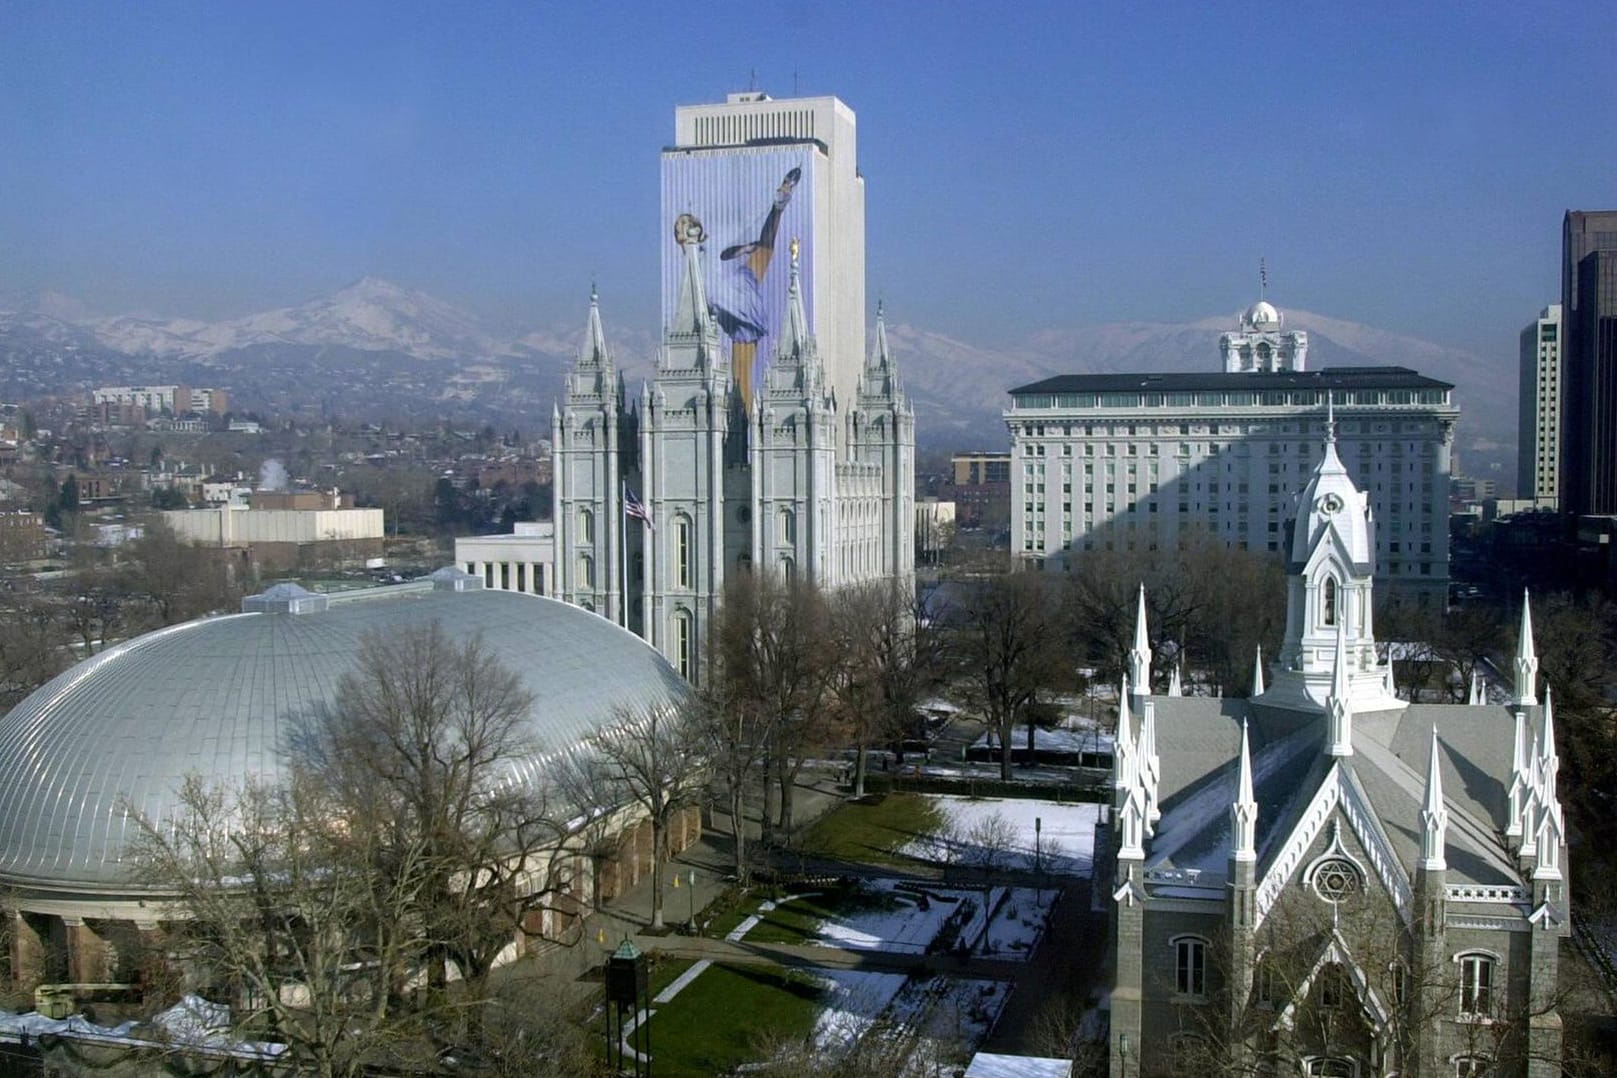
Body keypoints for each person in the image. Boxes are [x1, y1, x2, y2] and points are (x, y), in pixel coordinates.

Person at [702, 167, 800, 407]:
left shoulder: (709, 248)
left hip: (734, 294)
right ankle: (779, 205)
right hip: (732, 295)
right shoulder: (707, 250)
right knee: (741, 380)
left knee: (741, 380)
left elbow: (726, 253)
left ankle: (780, 204)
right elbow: (725, 254)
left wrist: (744, 248)